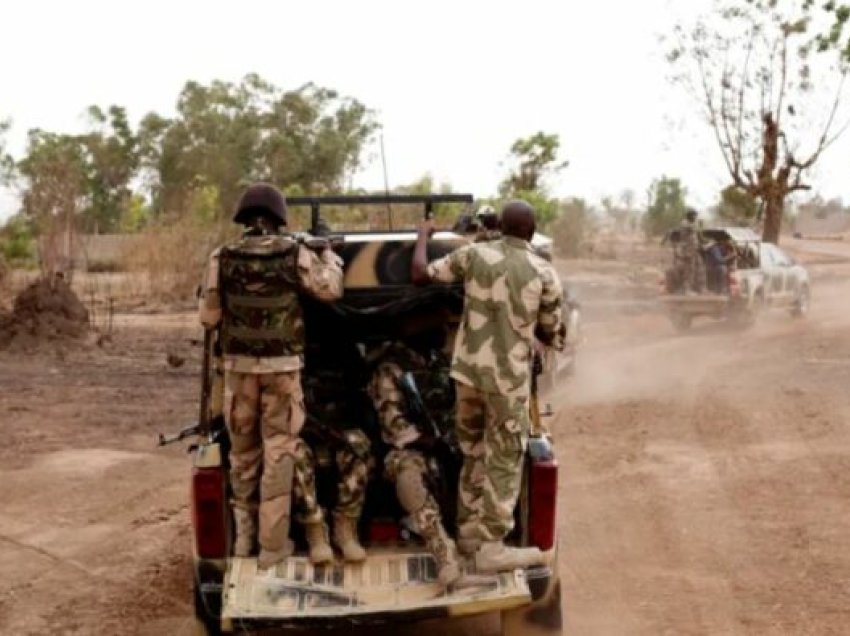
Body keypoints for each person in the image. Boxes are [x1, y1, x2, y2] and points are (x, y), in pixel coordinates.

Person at [410, 199, 567, 573]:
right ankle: (491, 546)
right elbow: (551, 331)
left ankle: (467, 533)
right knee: (504, 460)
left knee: (473, 452)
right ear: (530, 232)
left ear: (500, 227)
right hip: (506, 383)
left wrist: (421, 236)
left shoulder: (472, 255)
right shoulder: (543, 273)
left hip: (467, 377)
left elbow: (420, 274)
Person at [198, 183, 345, 569]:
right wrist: (329, 256)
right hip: (281, 372)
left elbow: (208, 317)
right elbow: (330, 291)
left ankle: (244, 541)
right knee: (279, 452)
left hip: (238, 372)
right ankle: (272, 545)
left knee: (243, 455)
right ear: (279, 218)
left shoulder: (222, 256)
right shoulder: (294, 253)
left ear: (244, 219)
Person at [366, 342, 461, 587]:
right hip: (412, 451)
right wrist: (434, 441)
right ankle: (443, 551)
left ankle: (481, 540)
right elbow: (396, 430)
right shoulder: (390, 371)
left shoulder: (448, 358)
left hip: (454, 446)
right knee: (407, 476)